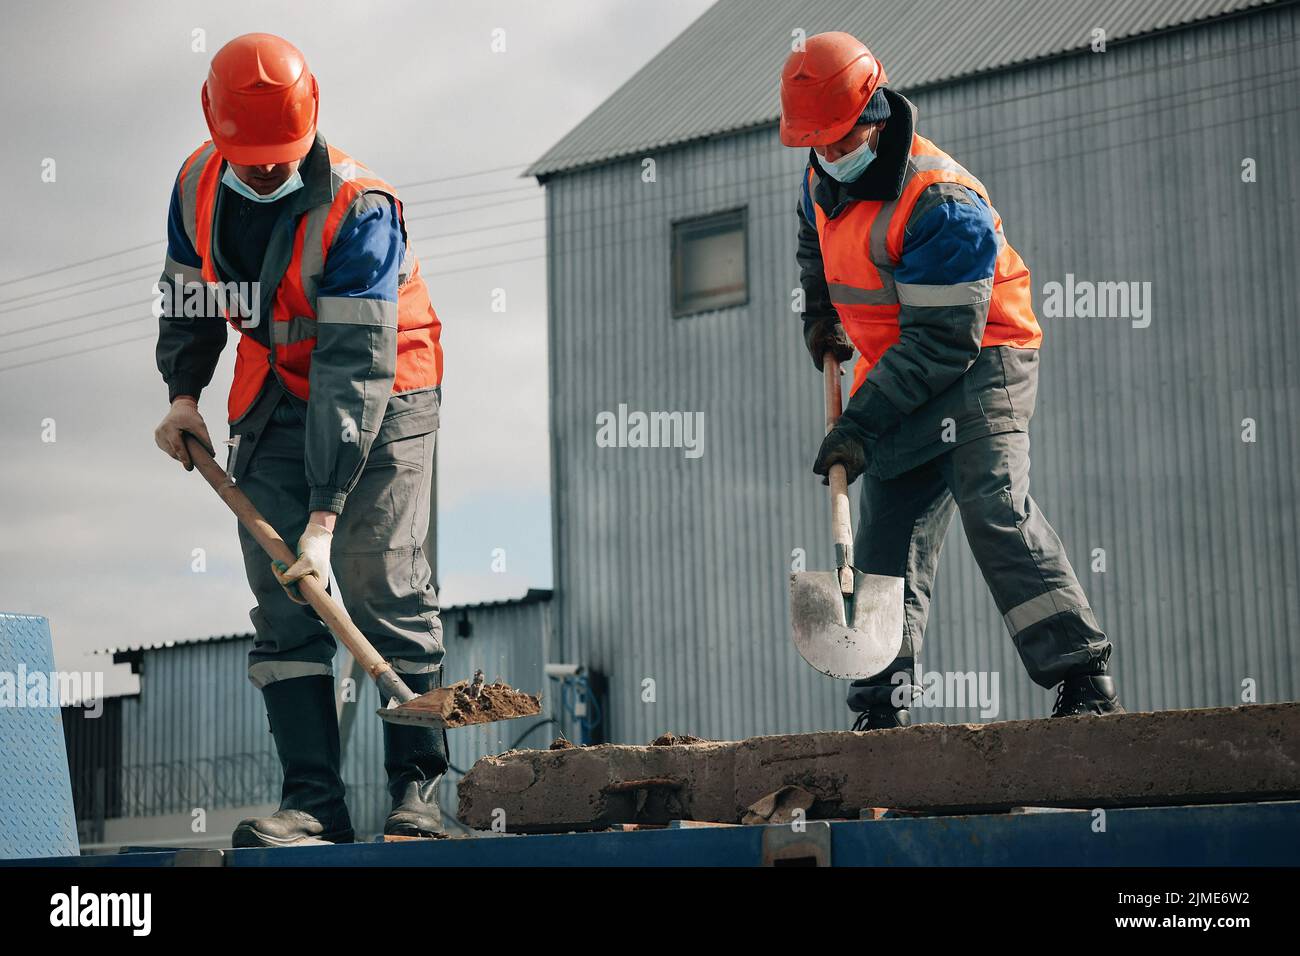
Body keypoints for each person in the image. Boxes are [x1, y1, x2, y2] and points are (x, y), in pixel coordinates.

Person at [153, 33, 447, 845]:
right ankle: (314, 805)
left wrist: (322, 522)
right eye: (253, 161)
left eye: (282, 159)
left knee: (375, 576)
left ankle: (418, 796)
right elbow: (188, 299)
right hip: (276, 384)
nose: (269, 172)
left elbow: (354, 369)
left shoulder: (361, 207)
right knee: (284, 596)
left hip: (386, 386)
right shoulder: (196, 186)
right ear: (217, 134)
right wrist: (183, 396)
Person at [780, 32, 1122, 728]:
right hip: (899, 366)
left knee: (992, 506)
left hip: (983, 357)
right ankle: (882, 707)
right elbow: (814, 243)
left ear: (875, 113)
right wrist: (822, 317)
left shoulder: (943, 201)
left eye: (842, 142)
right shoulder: (821, 179)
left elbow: (944, 342)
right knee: (883, 542)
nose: (831, 157)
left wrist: (860, 426)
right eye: (818, 146)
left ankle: (1083, 680)